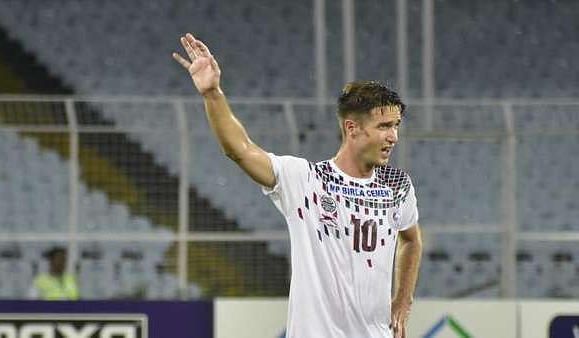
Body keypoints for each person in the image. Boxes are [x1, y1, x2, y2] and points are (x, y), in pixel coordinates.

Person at [173, 33, 422, 338]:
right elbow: (240, 149)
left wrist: (402, 301)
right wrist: (212, 94)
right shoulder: (306, 181)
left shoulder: (397, 186)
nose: (393, 137)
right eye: (384, 126)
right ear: (352, 128)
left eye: (395, 126)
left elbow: (411, 240)